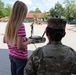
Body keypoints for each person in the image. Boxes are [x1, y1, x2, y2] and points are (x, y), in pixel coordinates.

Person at [3, 1, 32, 75]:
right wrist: (28, 41)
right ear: (22, 14)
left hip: (12, 56)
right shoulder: (21, 26)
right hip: (21, 58)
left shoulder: (9, 25)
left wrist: (22, 39)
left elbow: (4, 40)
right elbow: (20, 46)